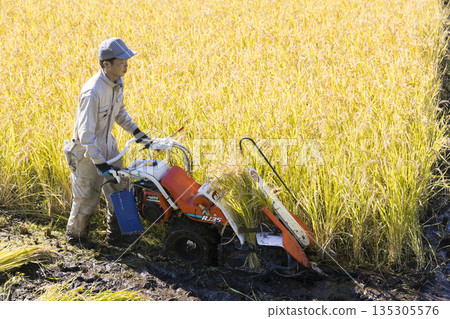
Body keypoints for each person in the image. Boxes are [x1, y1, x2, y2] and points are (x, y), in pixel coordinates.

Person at [65, 37, 148, 248]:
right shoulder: (93, 91)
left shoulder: (117, 82)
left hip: (109, 146)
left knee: (120, 189)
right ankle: (76, 239)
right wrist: (100, 163)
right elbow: (85, 134)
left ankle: (117, 237)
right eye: (121, 62)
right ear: (106, 64)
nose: (126, 66)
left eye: (127, 61)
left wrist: (138, 133)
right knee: (87, 199)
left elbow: (120, 113)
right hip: (86, 151)